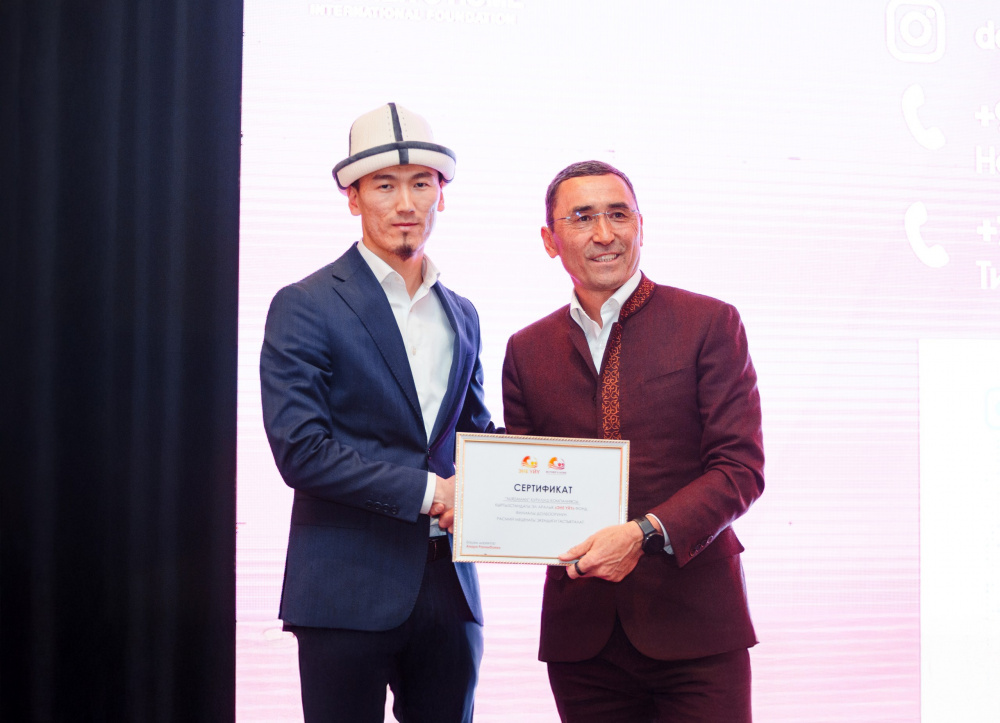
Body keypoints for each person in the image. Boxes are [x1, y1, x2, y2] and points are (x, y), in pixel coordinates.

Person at [502, 160, 765, 722]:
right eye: (582, 218)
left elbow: (739, 469)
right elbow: (523, 474)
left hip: (697, 626)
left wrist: (643, 533)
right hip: (582, 639)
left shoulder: (708, 322)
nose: (605, 234)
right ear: (549, 240)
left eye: (618, 215)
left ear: (640, 226)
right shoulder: (527, 348)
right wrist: (476, 496)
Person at [260, 103, 494, 722]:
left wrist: (544, 480)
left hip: (450, 589)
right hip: (344, 588)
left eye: (421, 184)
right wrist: (433, 492)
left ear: (441, 194)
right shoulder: (305, 304)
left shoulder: (462, 313)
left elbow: (475, 436)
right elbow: (301, 451)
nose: (406, 203)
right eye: (385, 186)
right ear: (353, 197)